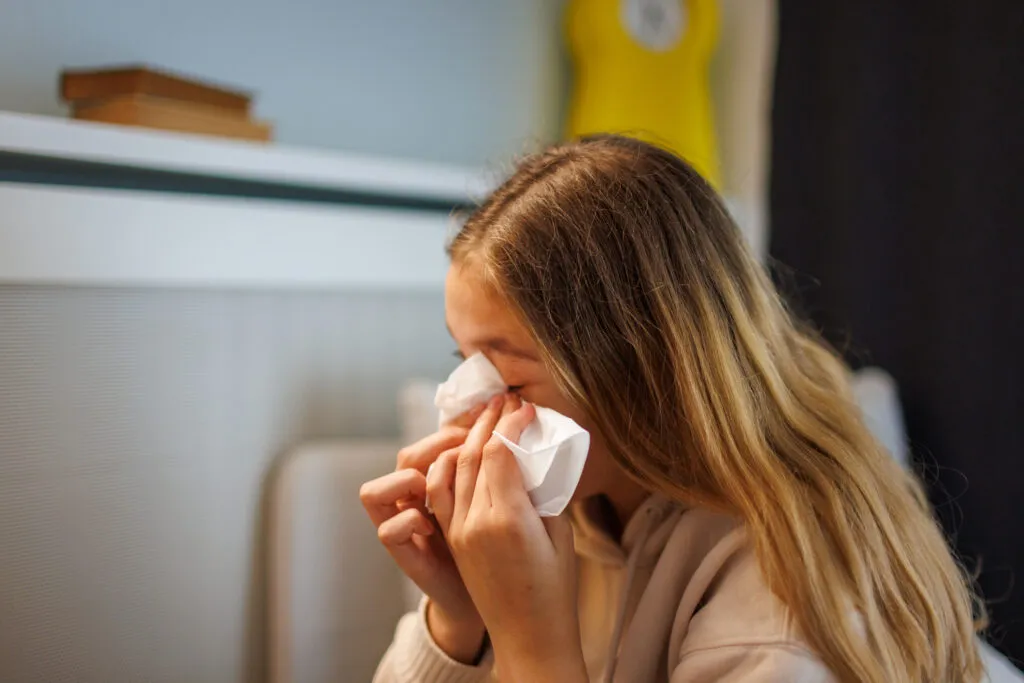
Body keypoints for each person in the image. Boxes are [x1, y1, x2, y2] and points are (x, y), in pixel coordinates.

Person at [359, 135, 984, 682]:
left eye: (511, 381)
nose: (464, 408)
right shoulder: (585, 507)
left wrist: (531, 643)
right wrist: (459, 617)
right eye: (462, 359)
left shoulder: (772, 621)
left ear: (647, 377)